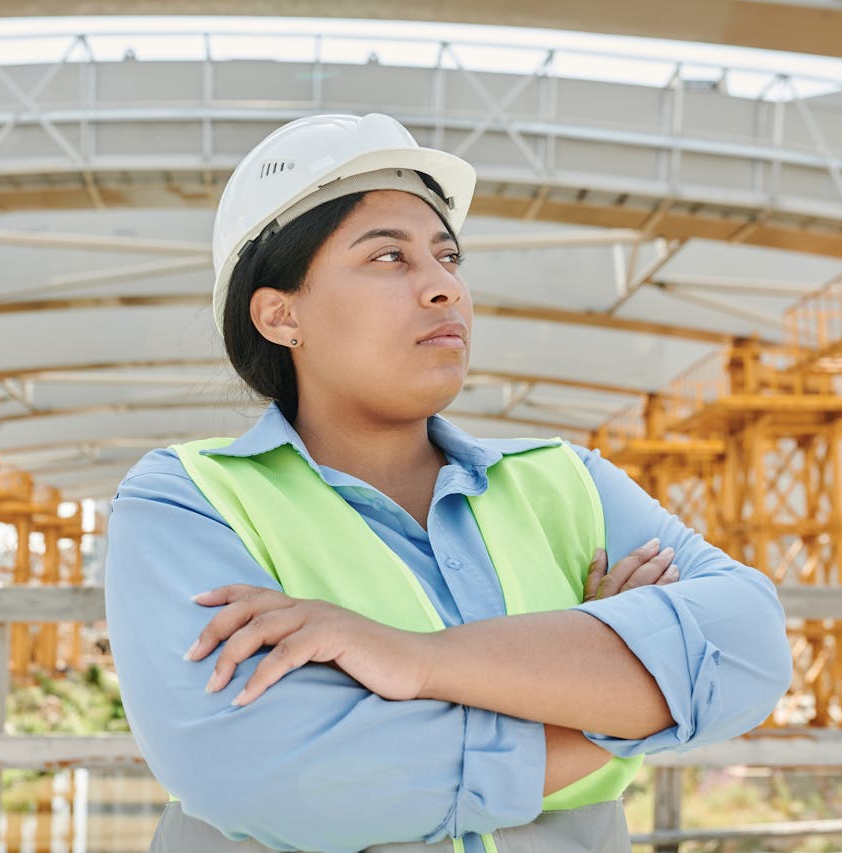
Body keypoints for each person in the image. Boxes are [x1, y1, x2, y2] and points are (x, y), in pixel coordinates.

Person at [104, 112, 793, 853]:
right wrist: (618, 697)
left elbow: (750, 646)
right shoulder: (187, 500)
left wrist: (413, 659)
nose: (444, 289)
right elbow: (275, 776)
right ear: (280, 313)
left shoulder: (564, 480)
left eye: (448, 256)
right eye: (389, 258)